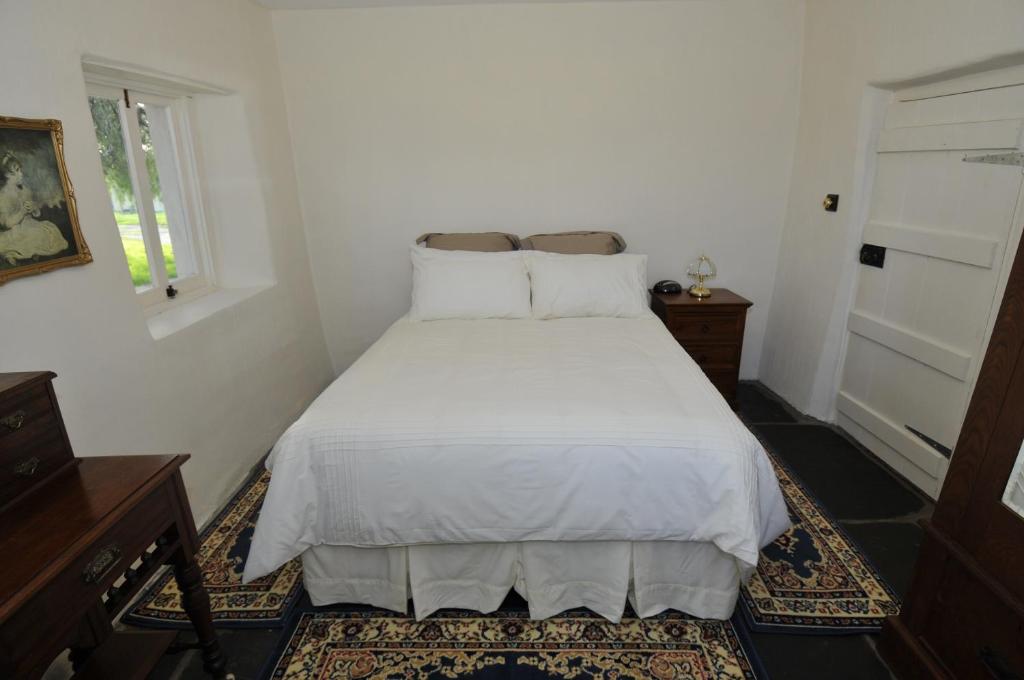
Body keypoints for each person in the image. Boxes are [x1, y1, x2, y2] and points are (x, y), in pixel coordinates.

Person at [0, 150, 68, 265]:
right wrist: (22, 211)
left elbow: (36, 211)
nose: (21, 173)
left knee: (49, 230)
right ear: (7, 175)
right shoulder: (3, 196)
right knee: (9, 241)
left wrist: (34, 209)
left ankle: (30, 252)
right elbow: (7, 224)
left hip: (29, 224)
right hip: (13, 231)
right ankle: (13, 253)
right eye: (17, 171)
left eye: (20, 169)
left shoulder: (25, 190)